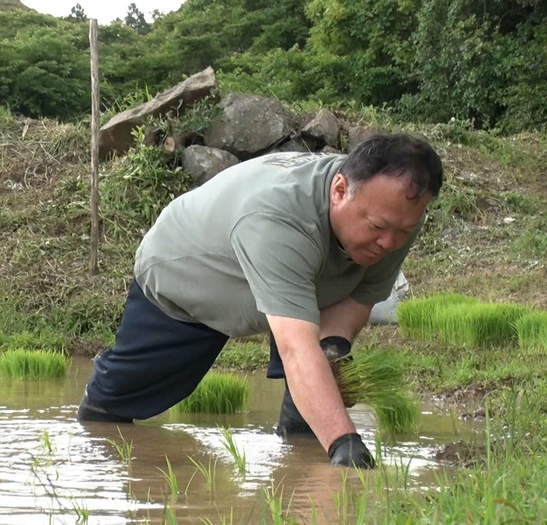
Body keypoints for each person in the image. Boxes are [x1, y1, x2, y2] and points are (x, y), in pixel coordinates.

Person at [77, 133, 444, 469]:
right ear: (339, 190)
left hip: (297, 271)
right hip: (188, 274)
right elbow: (296, 348)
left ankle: (301, 452)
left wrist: (331, 353)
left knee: (320, 377)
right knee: (113, 407)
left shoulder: (396, 213)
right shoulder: (279, 218)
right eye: (378, 228)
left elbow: (356, 300)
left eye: (404, 231)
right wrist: (346, 444)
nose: (390, 243)